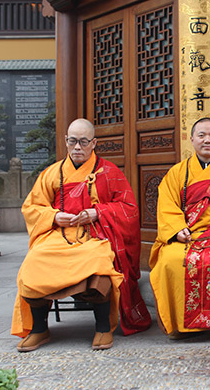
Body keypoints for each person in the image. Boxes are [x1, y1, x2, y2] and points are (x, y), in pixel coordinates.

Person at [12, 118, 150, 352]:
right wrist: (54, 217)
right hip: (58, 235)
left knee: (100, 263)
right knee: (33, 263)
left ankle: (103, 327)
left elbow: (128, 208)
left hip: (95, 235)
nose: (78, 147)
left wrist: (98, 212)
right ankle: (39, 329)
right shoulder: (51, 173)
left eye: (84, 142)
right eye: (73, 141)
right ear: (66, 141)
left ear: (94, 143)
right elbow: (32, 207)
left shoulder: (109, 171)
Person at [149, 117, 210, 338]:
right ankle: (181, 326)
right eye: (201, 135)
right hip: (188, 235)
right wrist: (176, 229)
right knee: (170, 260)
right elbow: (166, 204)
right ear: (191, 139)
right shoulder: (177, 173)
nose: (207, 140)